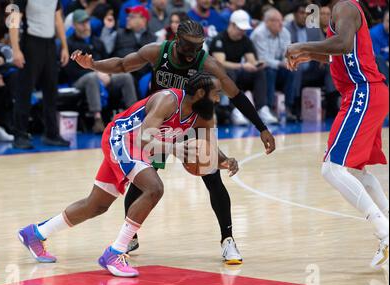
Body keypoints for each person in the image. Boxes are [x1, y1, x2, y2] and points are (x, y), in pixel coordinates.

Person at [71, 19, 276, 264]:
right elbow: (123, 64)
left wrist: (261, 127)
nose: (192, 54)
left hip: (194, 120)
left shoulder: (206, 62)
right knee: (140, 181)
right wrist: (93, 64)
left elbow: (235, 94)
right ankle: (129, 236)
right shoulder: (157, 52)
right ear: (177, 41)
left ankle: (228, 240)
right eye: (188, 48)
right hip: (160, 121)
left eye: (197, 49)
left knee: (213, 179)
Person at [18, 72, 239, 277]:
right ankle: (115, 252)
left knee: (96, 205)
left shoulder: (204, 115)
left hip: (140, 148)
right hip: (122, 138)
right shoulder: (168, 100)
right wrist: (175, 149)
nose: (219, 99)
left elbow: (209, 147)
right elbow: (144, 138)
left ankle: (35, 233)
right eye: (216, 94)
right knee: (154, 189)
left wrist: (224, 161)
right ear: (201, 94)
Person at [286, 0, 389, 269]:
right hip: (364, 93)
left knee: (331, 169)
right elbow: (345, 53)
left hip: (362, 92)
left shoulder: (345, 6)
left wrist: (303, 46)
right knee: (353, 171)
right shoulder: (342, 10)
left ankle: (384, 232)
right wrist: (314, 55)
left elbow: (343, 44)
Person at [10, 0, 71, 149]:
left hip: (49, 44)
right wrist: (16, 49)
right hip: (30, 43)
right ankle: (20, 135)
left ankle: (52, 133)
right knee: (24, 91)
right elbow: (13, 21)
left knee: (51, 91)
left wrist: (64, 46)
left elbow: (58, 19)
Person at [65, 9, 138, 133]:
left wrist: (108, 73)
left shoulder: (97, 41)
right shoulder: (69, 43)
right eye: (81, 23)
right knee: (92, 78)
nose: (85, 25)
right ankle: (97, 120)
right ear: (74, 25)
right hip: (80, 82)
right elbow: (70, 71)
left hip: (104, 77)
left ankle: (134, 116)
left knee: (125, 77)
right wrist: (97, 73)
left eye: (87, 22)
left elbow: (108, 61)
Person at [210, 10, 273, 125]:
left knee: (259, 73)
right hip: (221, 76)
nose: (242, 32)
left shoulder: (245, 40)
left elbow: (251, 60)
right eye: (240, 29)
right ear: (232, 25)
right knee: (227, 73)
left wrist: (257, 65)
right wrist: (242, 66)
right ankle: (235, 110)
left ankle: (262, 108)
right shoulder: (219, 39)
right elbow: (220, 63)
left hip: (239, 74)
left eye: (244, 30)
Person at [251, 8, 298, 122]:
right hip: (259, 70)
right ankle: (270, 108)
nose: (281, 23)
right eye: (276, 20)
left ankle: (288, 108)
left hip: (278, 68)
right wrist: (280, 63)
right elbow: (263, 59)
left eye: (281, 20)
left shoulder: (285, 32)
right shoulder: (258, 33)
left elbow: (287, 53)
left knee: (291, 69)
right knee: (269, 70)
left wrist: (287, 62)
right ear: (267, 22)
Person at [370, 9, 388, 84]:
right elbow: (376, 58)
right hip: (379, 66)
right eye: (388, 21)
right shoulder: (374, 34)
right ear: (383, 21)